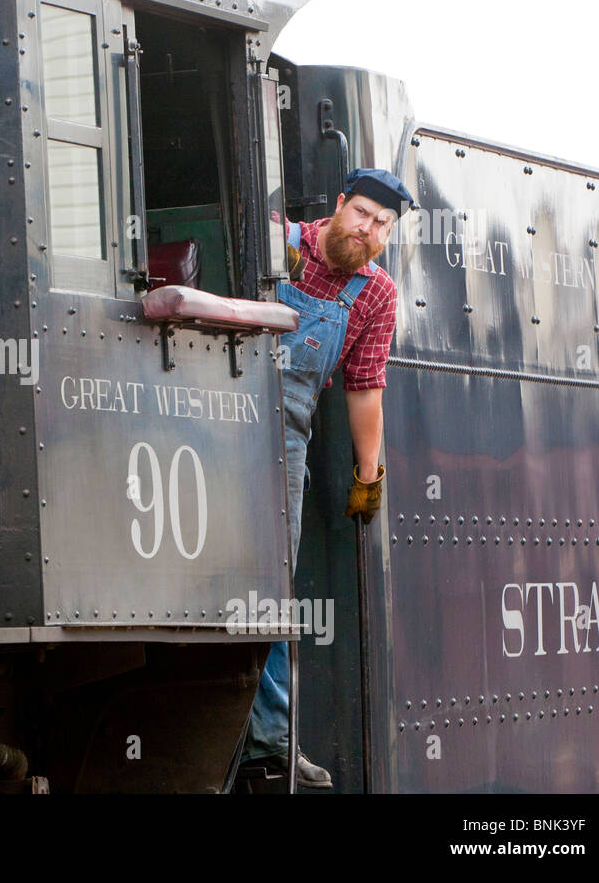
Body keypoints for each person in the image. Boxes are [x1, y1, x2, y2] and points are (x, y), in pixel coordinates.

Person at [241, 167, 414, 789]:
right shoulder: (277, 241)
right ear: (338, 206)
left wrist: (368, 474)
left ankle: (269, 736)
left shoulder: (376, 294)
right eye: (363, 214)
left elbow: (365, 387)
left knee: (273, 585)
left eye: (382, 225)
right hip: (219, 408)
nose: (368, 230)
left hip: (286, 435)